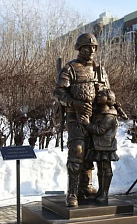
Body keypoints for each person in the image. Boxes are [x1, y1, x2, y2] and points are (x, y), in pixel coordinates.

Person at [53, 33, 110, 207]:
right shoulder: (70, 68)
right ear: (80, 48)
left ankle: (87, 185)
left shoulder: (100, 69)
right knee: (77, 150)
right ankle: (72, 192)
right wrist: (75, 103)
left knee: (96, 151)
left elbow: (108, 93)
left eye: (94, 47)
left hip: (97, 117)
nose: (92, 50)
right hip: (75, 116)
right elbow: (59, 92)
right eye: (88, 47)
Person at [79, 89, 119, 203]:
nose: (98, 96)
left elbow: (100, 130)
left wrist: (87, 124)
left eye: (102, 95)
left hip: (106, 146)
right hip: (99, 145)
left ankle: (104, 193)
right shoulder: (100, 113)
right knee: (100, 169)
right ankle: (100, 192)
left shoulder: (109, 115)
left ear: (109, 99)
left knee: (106, 169)